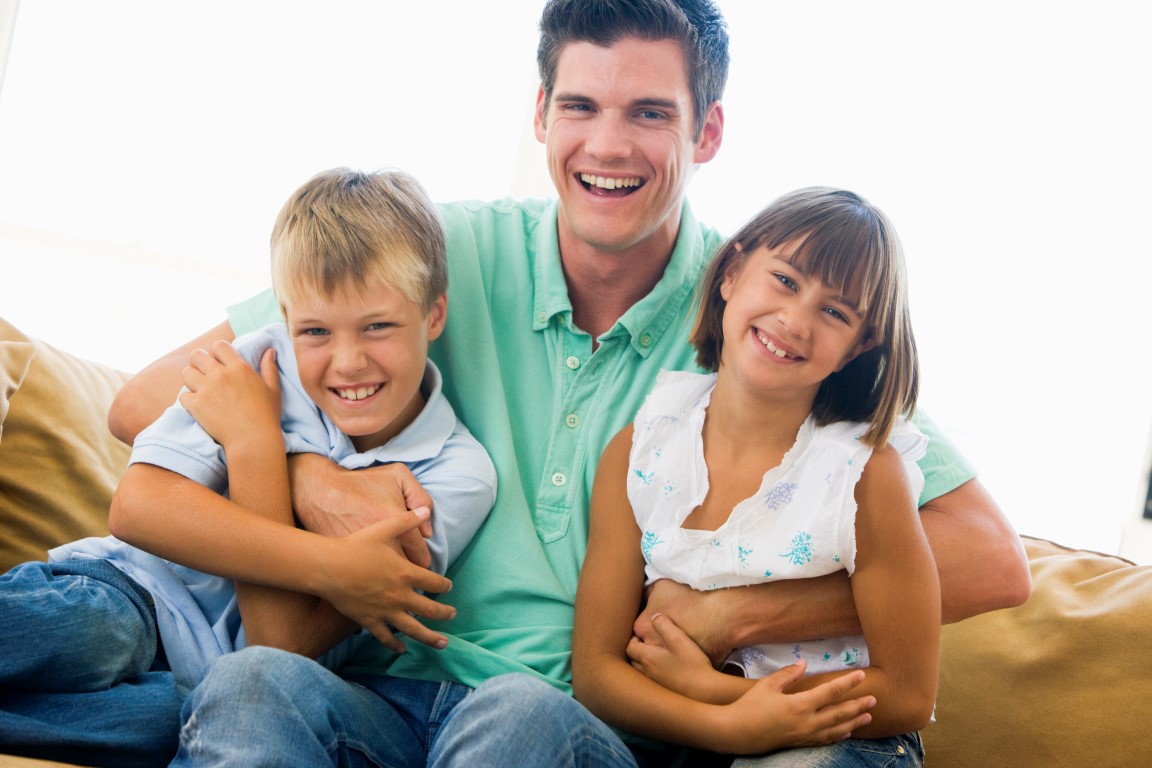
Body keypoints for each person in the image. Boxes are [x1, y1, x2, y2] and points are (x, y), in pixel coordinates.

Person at [107, 0, 1030, 765]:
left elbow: (988, 553)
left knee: (518, 717)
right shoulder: (443, 253)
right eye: (582, 106)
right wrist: (318, 476)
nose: (609, 145)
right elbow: (148, 397)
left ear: (707, 130)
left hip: (571, 721)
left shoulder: (760, 316)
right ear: (541, 115)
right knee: (249, 683)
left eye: (650, 113)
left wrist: (735, 613)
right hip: (373, 689)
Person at [0, 167, 496, 767]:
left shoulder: (456, 472)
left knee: (175, 725)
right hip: (134, 595)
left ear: (434, 316)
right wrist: (331, 562)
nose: (348, 362)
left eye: (378, 327)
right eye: (315, 330)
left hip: (202, 688)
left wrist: (256, 446)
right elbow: (137, 508)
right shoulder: (259, 362)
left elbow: (279, 645)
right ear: (286, 320)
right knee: (104, 636)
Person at [574, 187, 939, 766]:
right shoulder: (640, 447)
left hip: (838, 745)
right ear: (733, 274)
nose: (794, 321)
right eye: (786, 281)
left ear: (858, 346)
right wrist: (724, 726)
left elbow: (909, 694)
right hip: (692, 742)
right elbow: (595, 673)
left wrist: (719, 693)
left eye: (835, 312)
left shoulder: (865, 473)